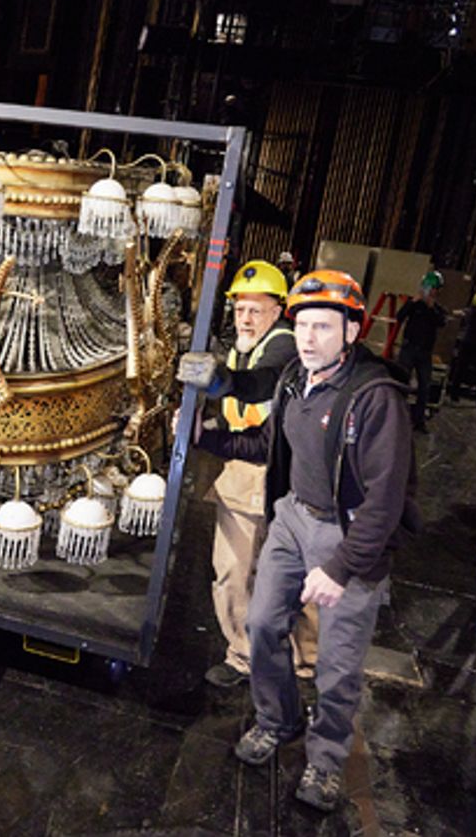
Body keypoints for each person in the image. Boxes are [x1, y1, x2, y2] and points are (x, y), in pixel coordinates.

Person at [179, 269, 418, 812]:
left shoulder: (375, 398)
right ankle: (277, 718)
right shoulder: (294, 379)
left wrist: (341, 567)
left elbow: (385, 498)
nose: (309, 338)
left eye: (324, 327)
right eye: (303, 325)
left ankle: (326, 761)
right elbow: (270, 442)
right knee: (262, 624)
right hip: (291, 518)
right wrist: (210, 436)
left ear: (352, 332)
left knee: (336, 663)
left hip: (350, 534)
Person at [200, 260, 317, 688]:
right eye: (239, 309)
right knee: (233, 569)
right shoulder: (241, 348)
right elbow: (239, 420)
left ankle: (307, 660)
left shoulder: (285, 348)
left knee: (296, 575)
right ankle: (245, 654)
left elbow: (261, 385)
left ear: (278, 311)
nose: (245, 318)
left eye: (256, 309)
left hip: (284, 477)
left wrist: (224, 384)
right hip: (244, 475)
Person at [394, 270, 448, 432]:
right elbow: (399, 317)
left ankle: (418, 421)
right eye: (431, 288)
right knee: (401, 383)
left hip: (424, 352)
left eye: (435, 289)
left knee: (424, 387)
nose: (432, 292)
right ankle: (397, 417)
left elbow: (441, 322)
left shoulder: (437, 309)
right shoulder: (414, 304)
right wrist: (412, 302)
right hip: (409, 348)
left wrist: (431, 307)